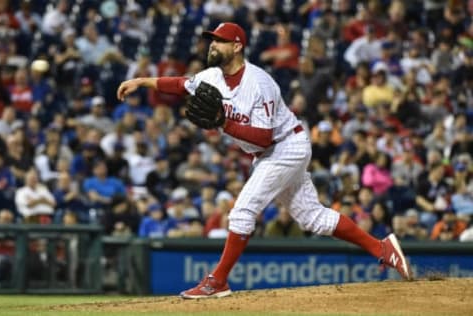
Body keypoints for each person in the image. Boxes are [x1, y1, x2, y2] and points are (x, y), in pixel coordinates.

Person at [116, 22, 413, 299]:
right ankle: (382, 248)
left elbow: (263, 137)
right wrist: (143, 81)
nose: (211, 46)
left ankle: (218, 280)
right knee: (313, 218)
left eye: (218, 41)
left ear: (236, 46)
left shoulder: (260, 82)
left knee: (242, 212)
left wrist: (223, 122)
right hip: (270, 153)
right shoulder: (211, 77)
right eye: (210, 41)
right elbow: (181, 84)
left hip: (286, 145)